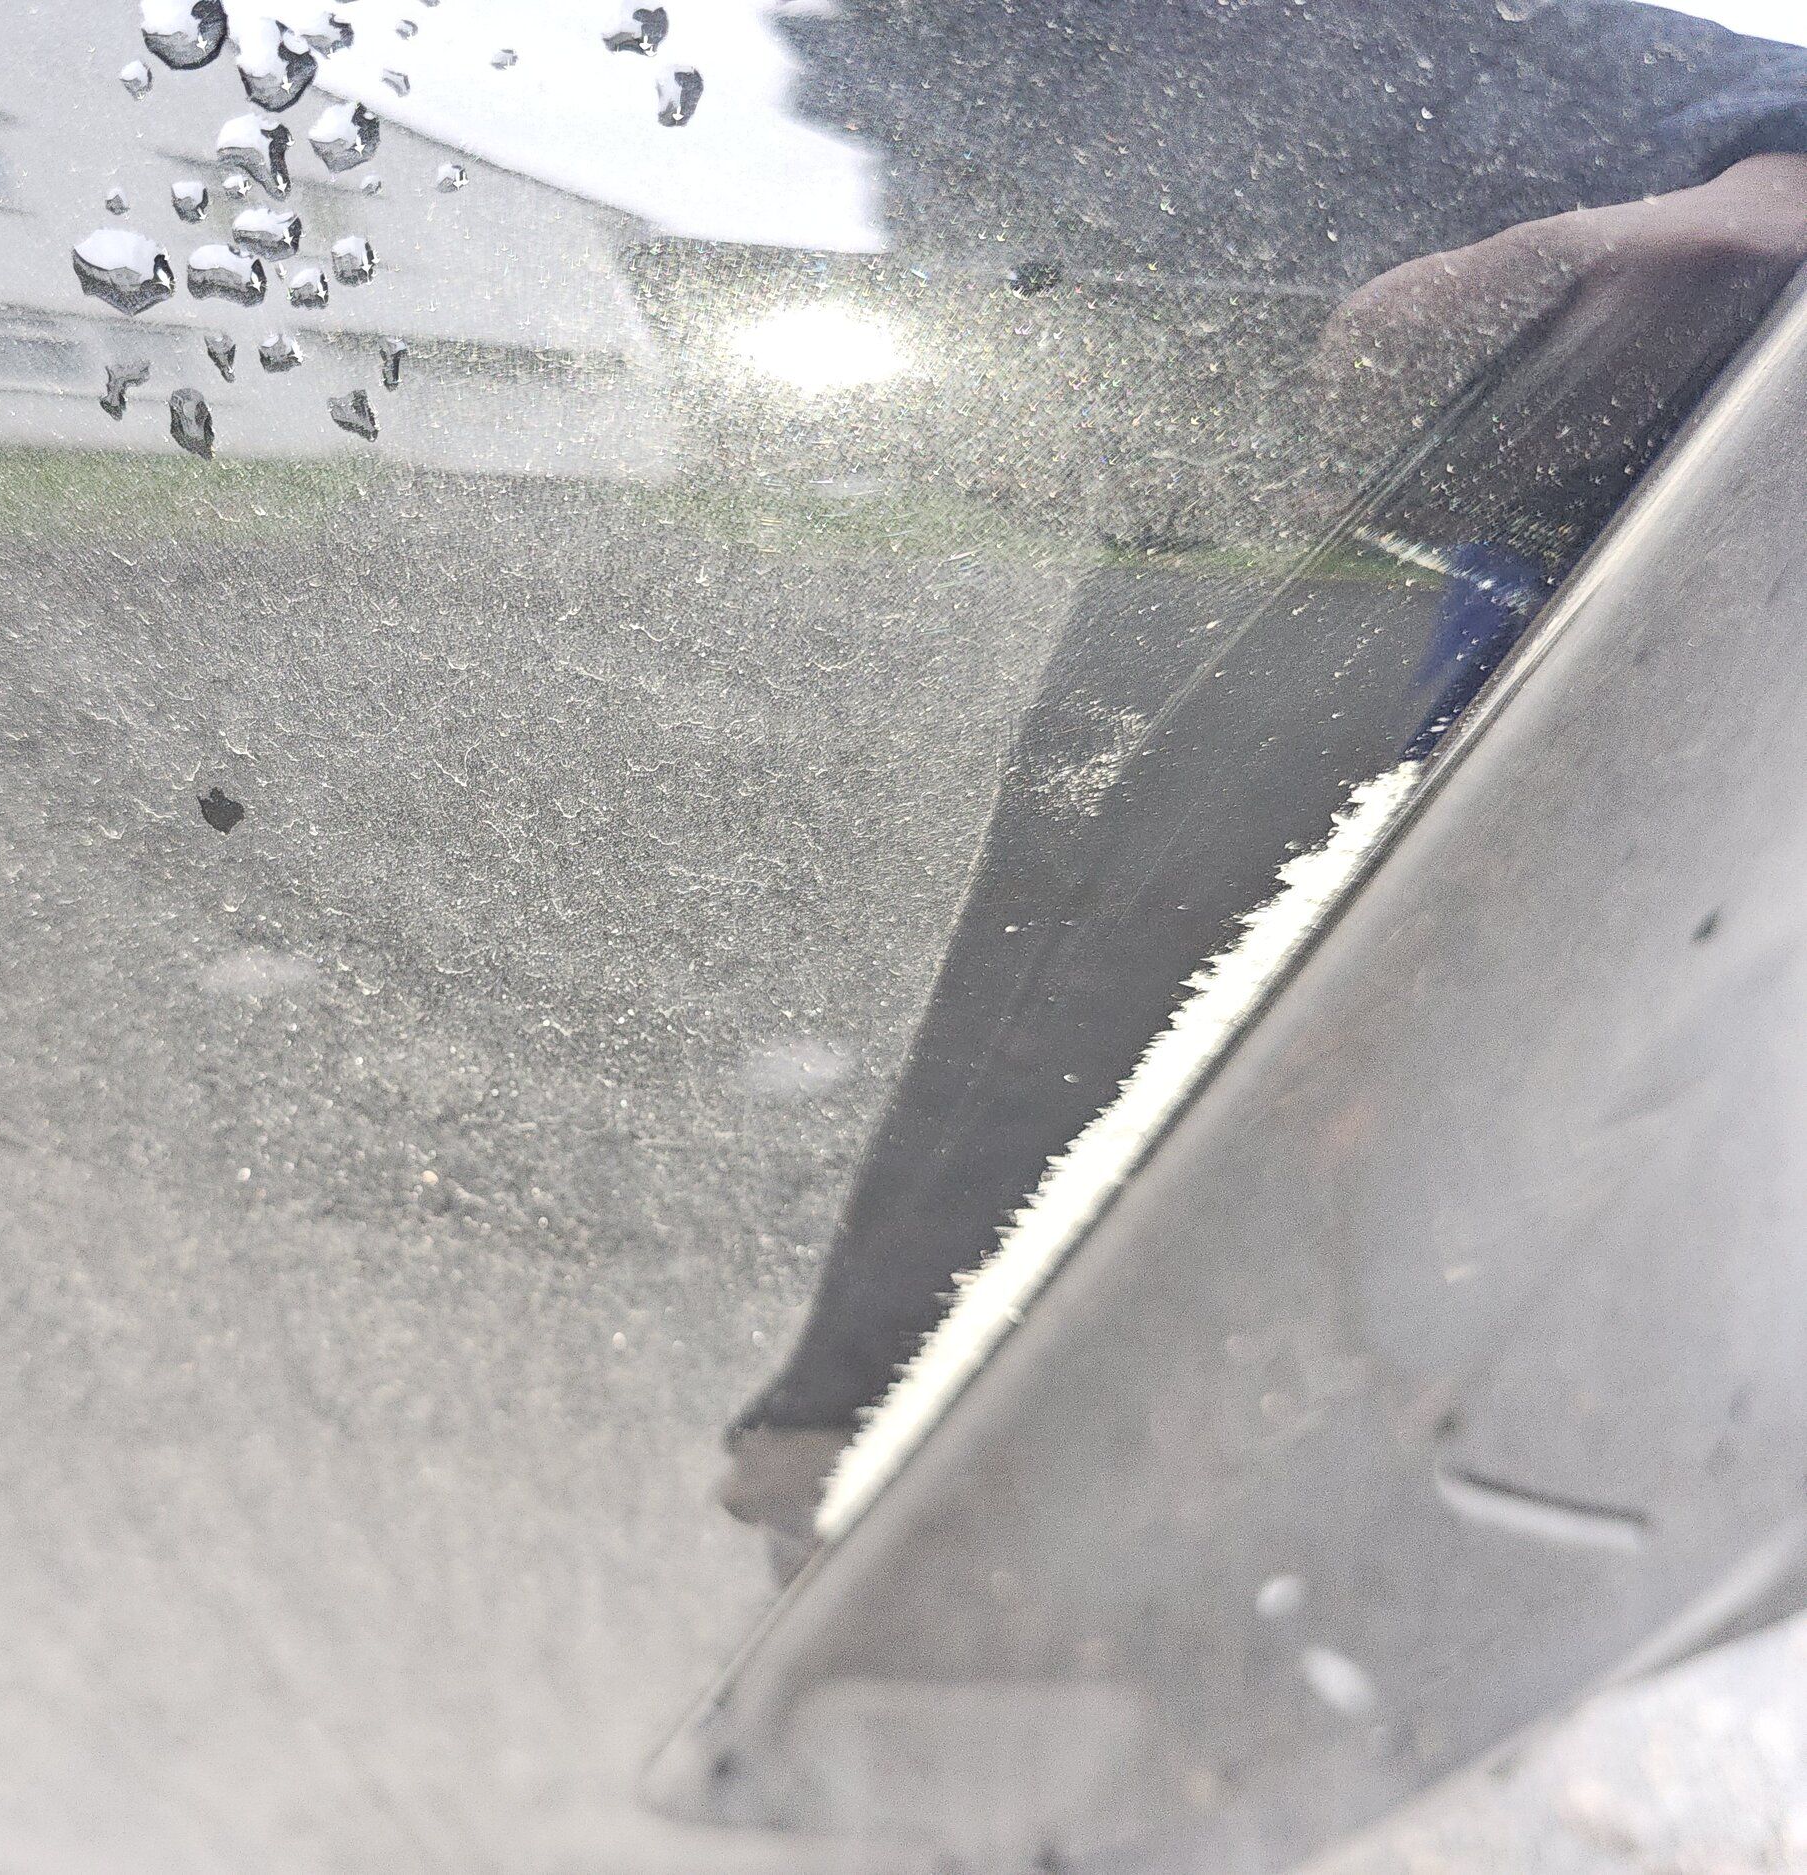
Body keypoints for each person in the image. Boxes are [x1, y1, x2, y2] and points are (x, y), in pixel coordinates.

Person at [722, 0, 1807, 1562]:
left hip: (1381, 537)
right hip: (1294, 524)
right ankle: (914, 1440)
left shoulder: (1206, 65)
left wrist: (1771, 165)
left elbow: (1452, 70)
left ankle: (924, 1445)